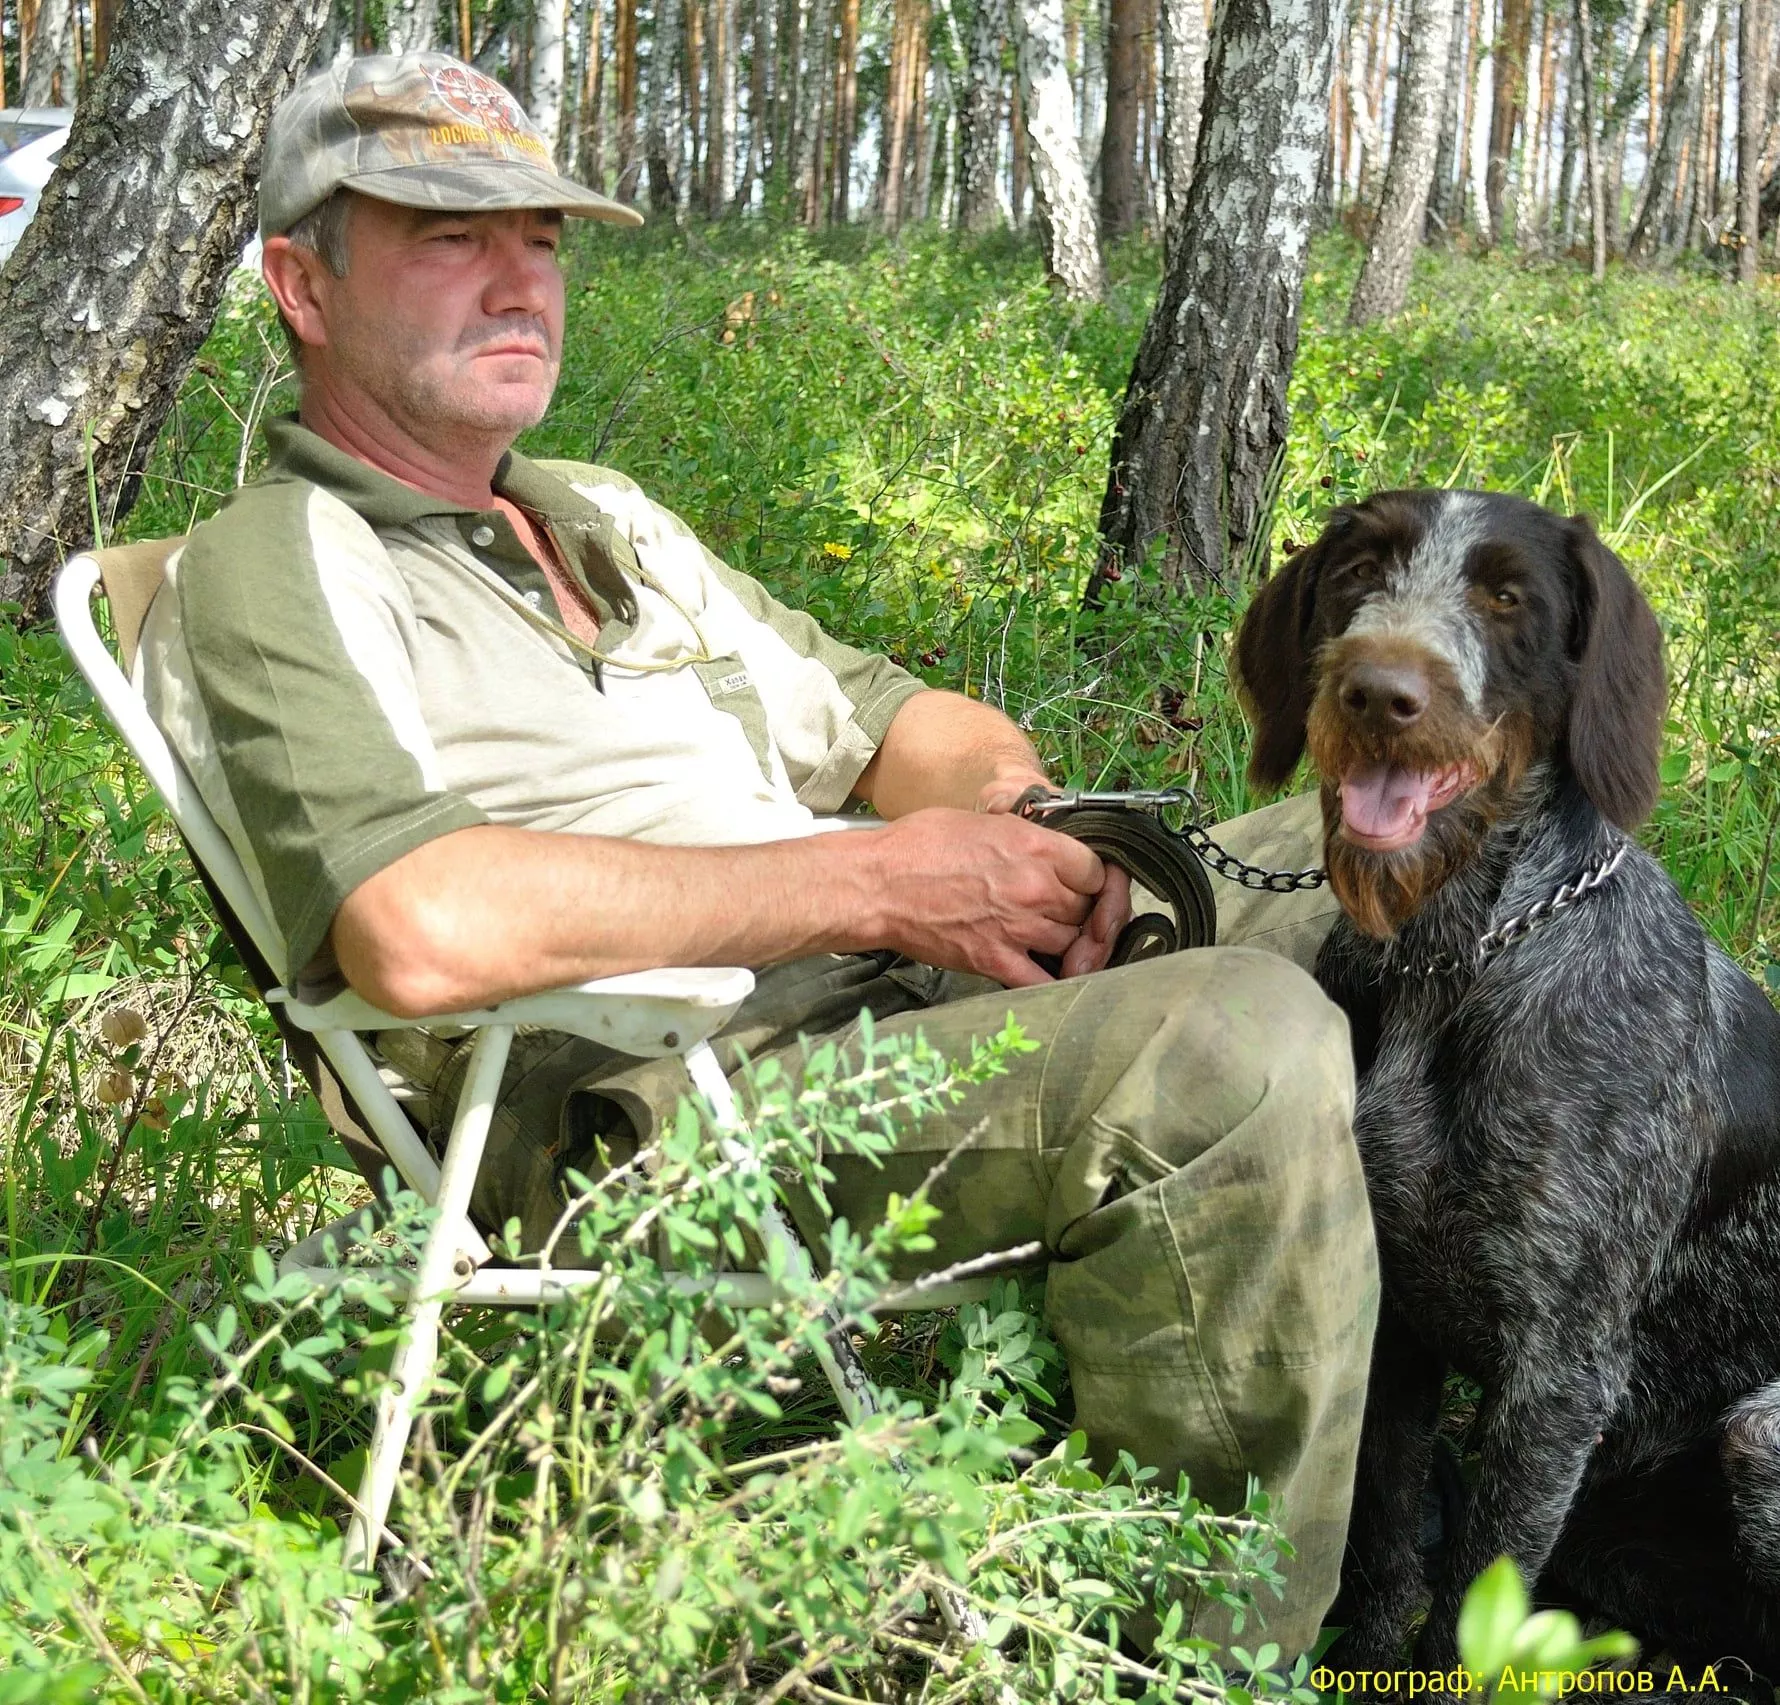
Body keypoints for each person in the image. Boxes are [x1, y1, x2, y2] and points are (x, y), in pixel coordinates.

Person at [139, 52, 1378, 1654]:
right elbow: (415, 927)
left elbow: (893, 723)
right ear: (301, 284)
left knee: (1408, 849)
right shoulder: (280, 560)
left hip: (864, 995)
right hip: (631, 1102)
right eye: (450, 238)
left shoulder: (600, 516)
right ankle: (1208, 1654)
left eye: (543, 238)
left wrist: (1027, 834)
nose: (521, 280)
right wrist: (879, 882)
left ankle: (1568, 1451)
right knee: (1232, 1043)